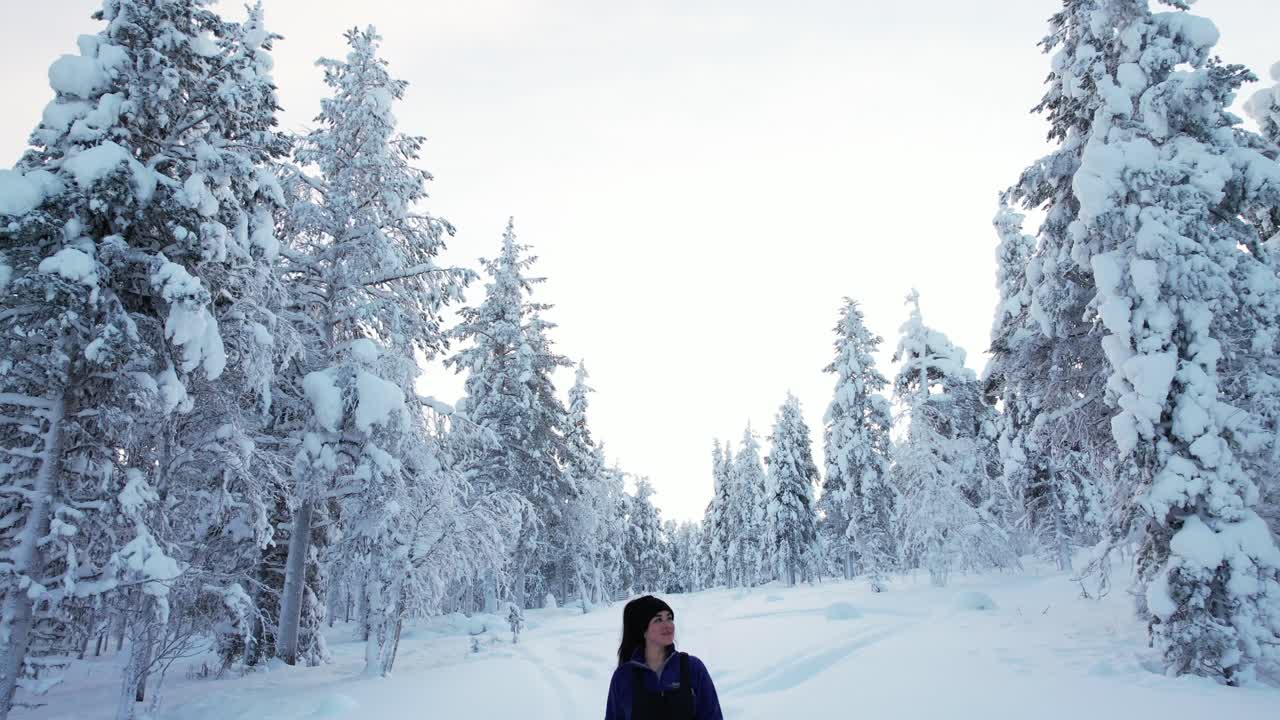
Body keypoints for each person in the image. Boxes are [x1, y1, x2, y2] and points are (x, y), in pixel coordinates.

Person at [604, 595, 723, 720]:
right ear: (643, 630)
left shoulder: (692, 668)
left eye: (669, 618)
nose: (668, 625)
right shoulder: (623, 676)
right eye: (658, 620)